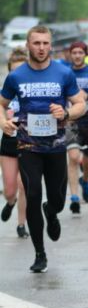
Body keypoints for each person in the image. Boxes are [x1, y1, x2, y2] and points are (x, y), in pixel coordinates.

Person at [0, 25, 86, 272]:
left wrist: (67, 112)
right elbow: (1, 102)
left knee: (57, 199)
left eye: (45, 43)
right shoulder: (17, 76)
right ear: (28, 45)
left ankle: (53, 211)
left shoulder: (63, 72)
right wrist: (4, 123)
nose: (41, 48)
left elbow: (80, 102)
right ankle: (40, 253)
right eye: (36, 43)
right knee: (33, 194)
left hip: (56, 146)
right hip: (28, 146)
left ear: (51, 45)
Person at [64, 41, 88, 215]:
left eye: (80, 52)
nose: (77, 55)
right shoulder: (65, 73)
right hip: (71, 121)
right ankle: (74, 198)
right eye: (74, 52)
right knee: (72, 157)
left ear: (85, 54)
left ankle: (85, 180)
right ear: (70, 55)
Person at [1, 49, 29, 239]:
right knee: (10, 190)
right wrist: (3, 123)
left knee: (23, 184)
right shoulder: (6, 91)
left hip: (29, 140)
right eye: (14, 72)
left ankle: (21, 224)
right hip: (9, 141)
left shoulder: (32, 89)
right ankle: (10, 202)